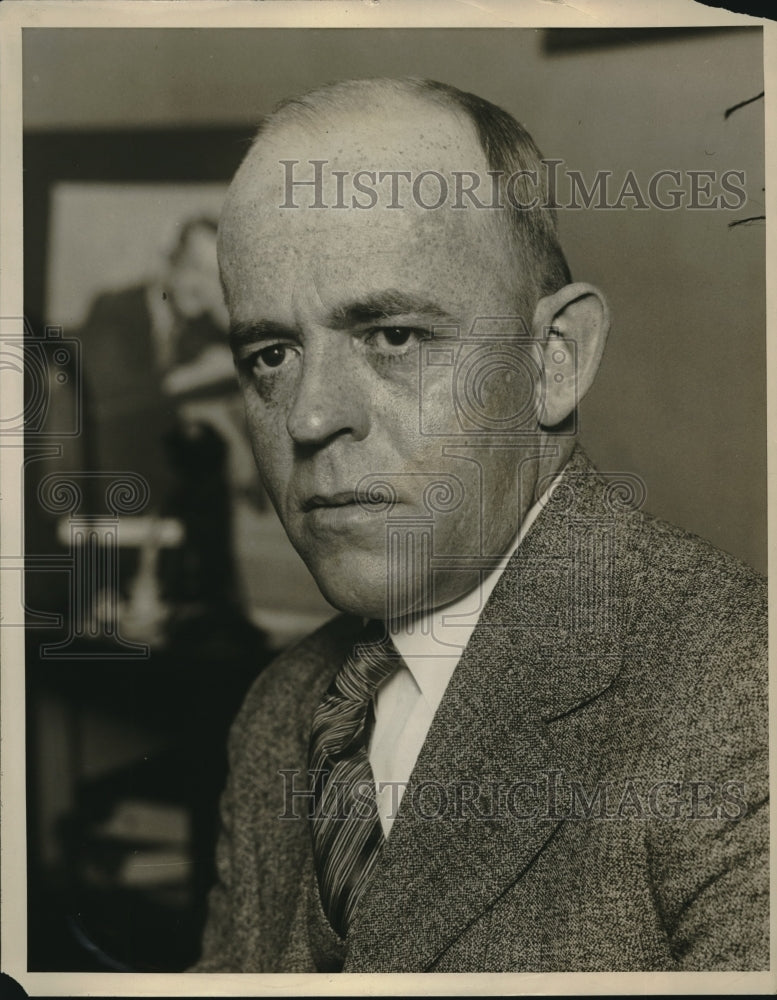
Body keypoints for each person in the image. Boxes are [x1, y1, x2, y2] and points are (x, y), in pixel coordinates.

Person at [191, 78, 768, 972]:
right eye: (270, 354)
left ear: (553, 360)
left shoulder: (742, 693)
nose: (308, 418)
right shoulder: (280, 715)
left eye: (391, 337)